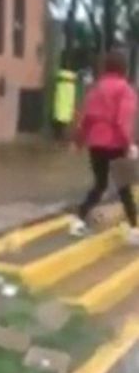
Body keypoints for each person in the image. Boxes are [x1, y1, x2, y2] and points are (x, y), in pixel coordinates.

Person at [71, 50, 139, 244]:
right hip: (117, 144)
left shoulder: (96, 89)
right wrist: (129, 144)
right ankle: (134, 230)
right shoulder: (125, 90)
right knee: (124, 187)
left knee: (99, 185)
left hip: (96, 144)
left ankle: (77, 220)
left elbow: (86, 119)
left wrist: (78, 142)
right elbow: (122, 121)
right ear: (124, 69)